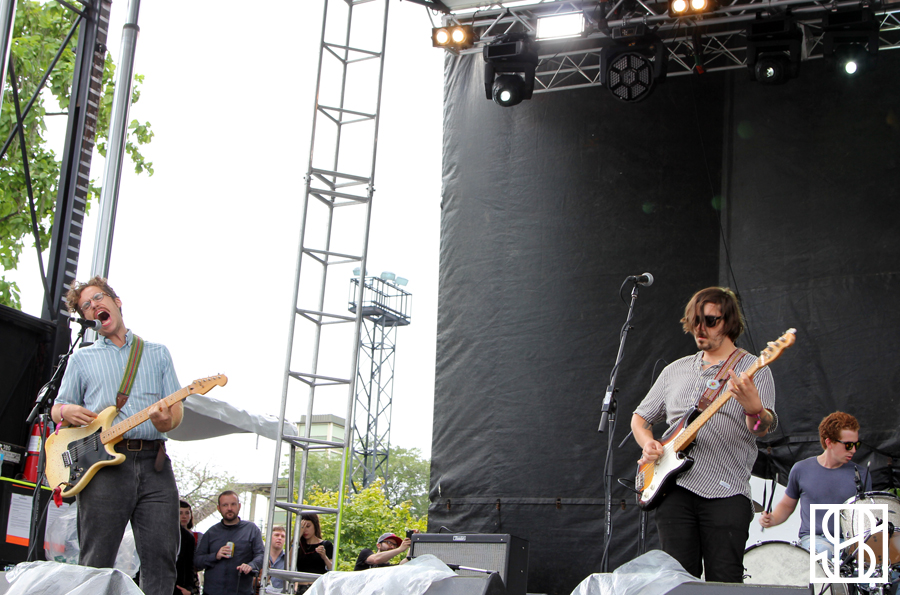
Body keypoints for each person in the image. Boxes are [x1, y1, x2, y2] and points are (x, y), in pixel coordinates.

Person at [631, 286, 777, 583]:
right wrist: (649, 445)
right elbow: (639, 418)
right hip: (673, 488)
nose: (701, 328)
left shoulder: (753, 369)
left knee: (724, 580)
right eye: (696, 320)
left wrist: (754, 410)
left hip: (727, 491)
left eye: (711, 321)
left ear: (729, 322)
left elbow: (762, 430)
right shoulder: (676, 370)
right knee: (676, 580)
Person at [51, 276, 183, 595]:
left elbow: (176, 413)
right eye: (86, 305)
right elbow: (57, 407)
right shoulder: (82, 358)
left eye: (98, 297)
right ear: (86, 318)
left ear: (116, 302)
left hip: (155, 463)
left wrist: (165, 421)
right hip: (102, 467)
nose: (94, 305)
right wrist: (66, 412)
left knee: (162, 558)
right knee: (96, 559)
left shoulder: (157, 353)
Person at [759, 411, 871, 555]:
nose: (854, 450)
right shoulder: (801, 469)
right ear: (829, 442)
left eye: (857, 444)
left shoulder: (861, 474)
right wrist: (772, 519)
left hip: (849, 542)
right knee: (823, 551)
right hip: (813, 539)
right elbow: (787, 505)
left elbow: (867, 517)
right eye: (848, 445)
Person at [194, 491, 265, 595]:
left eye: (233, 504)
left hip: (242, 592)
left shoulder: (251, 530)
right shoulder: (211, 533)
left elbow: (261, 555)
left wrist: (251, 565)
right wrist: (215, 556)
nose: (229, 508)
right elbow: (197, 561)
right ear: (219, 508)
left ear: (239, 506)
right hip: (212, 592)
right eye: (225, 505)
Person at [295, 513, 333, 593]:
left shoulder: (326, 545)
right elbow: (289, 562)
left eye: (308, 526)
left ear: (315, 525)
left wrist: (324, 557)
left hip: (318, 587)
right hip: (302, 588)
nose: (305, 530)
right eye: (303, 527)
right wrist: (297, 536)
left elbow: (332, 568)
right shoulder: (297, 544)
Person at [176, 500, 201, 595]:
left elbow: (191, 564)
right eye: (180, 513)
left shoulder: (192, 537)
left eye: (187, 513)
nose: (184, 516)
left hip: (188, 578)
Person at [265, 525, 288, 594]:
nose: (279, 538)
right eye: (276, 535)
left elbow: (294, 582)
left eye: (282, 536)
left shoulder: (288, 560)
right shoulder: (261, 557)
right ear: (269, 537)